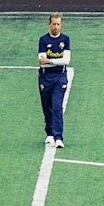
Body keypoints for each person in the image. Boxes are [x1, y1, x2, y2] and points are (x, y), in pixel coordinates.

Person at [37, 11, 71, 148]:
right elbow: (41, 61)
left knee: (57, 106)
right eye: (54, 24)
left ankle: (58, 137)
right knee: (47, 106)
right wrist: (56, 60)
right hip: (45, 77)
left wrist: (50, 61)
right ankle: (50, 134)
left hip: (59, 77)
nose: (56, 27)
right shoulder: (43, 40)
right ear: (49, 24)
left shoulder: (65, 39)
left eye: (58, 24)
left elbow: (66, 60)